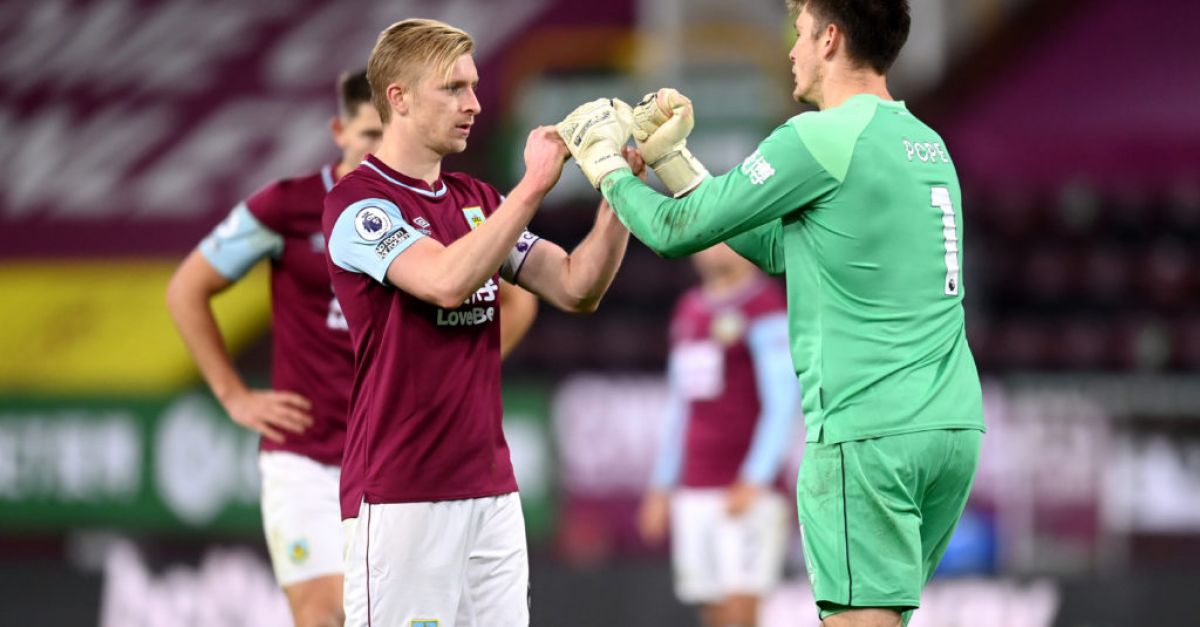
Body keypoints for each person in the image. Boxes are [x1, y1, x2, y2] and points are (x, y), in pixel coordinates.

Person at [556, 1, 986, 625]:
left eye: (801, 34)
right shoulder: (927, 143)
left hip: (866, 432)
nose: (791, 49)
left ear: (831, 39)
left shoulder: (819, 137)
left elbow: (678, 234)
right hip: (950, 428)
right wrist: (676, 164)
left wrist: (608, 171)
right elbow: (780, 246)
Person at [166, 69, 539, 627]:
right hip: (307, 455)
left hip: (402, 455)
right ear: (340, 130)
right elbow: (186, 289)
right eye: (367, 135)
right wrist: (233, 395)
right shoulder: (286, 207)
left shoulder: (435, 206)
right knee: (324, 615)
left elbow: (520, 300)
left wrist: (456, 377)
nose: (377, 148)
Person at [322, 19, 632, 627]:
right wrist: (536, 183)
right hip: (401, 494)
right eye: (454, 88)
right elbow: (444, 281)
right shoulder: (358, 204)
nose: (475, 104)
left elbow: (574, 287)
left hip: (490, 491)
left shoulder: (477, 200)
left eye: (474, 85)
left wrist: (620, 188)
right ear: (399, 98)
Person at [637, 243, 800, 627]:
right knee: (710, 609)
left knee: (741, 610)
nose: (712, 250)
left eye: (723, 238)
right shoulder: (690, 309)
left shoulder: (764, 306)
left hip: (742, 489)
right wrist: (662, 485)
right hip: (694, 486)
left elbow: (782, 401)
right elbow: (680, 405)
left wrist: (755, 478)